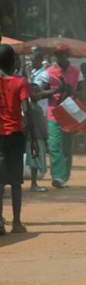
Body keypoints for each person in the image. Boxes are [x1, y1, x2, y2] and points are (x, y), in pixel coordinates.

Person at [36, 45, 83, 188]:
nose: (59, 58)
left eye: (62, 54)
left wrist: (72, 92)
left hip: (70, 113)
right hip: (54, 113)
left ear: (67, 55)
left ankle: (64, 176)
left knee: (67, 146)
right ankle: (57, 177)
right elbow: (39, 93)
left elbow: (83, 92)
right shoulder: (48, 73)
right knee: (55, 146)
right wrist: (55, 91)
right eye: (57, 55)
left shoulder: (76, 72)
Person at [0, 45, 31, 234]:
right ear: (13, 62)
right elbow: (26, 112)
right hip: (16, 136)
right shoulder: (20, 82)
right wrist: (32, 138)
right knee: (15, 182)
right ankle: (17, 222)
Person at [24, 47, 49, 188]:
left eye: (34, 60)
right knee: (32, 144)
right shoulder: (32, 73)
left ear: (39, 60)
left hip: (38, 113)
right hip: (30, 113)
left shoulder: (43, 75)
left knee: (36, 143)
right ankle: (33, 182)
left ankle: (34, 180)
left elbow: (34, 92)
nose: (32, 63)